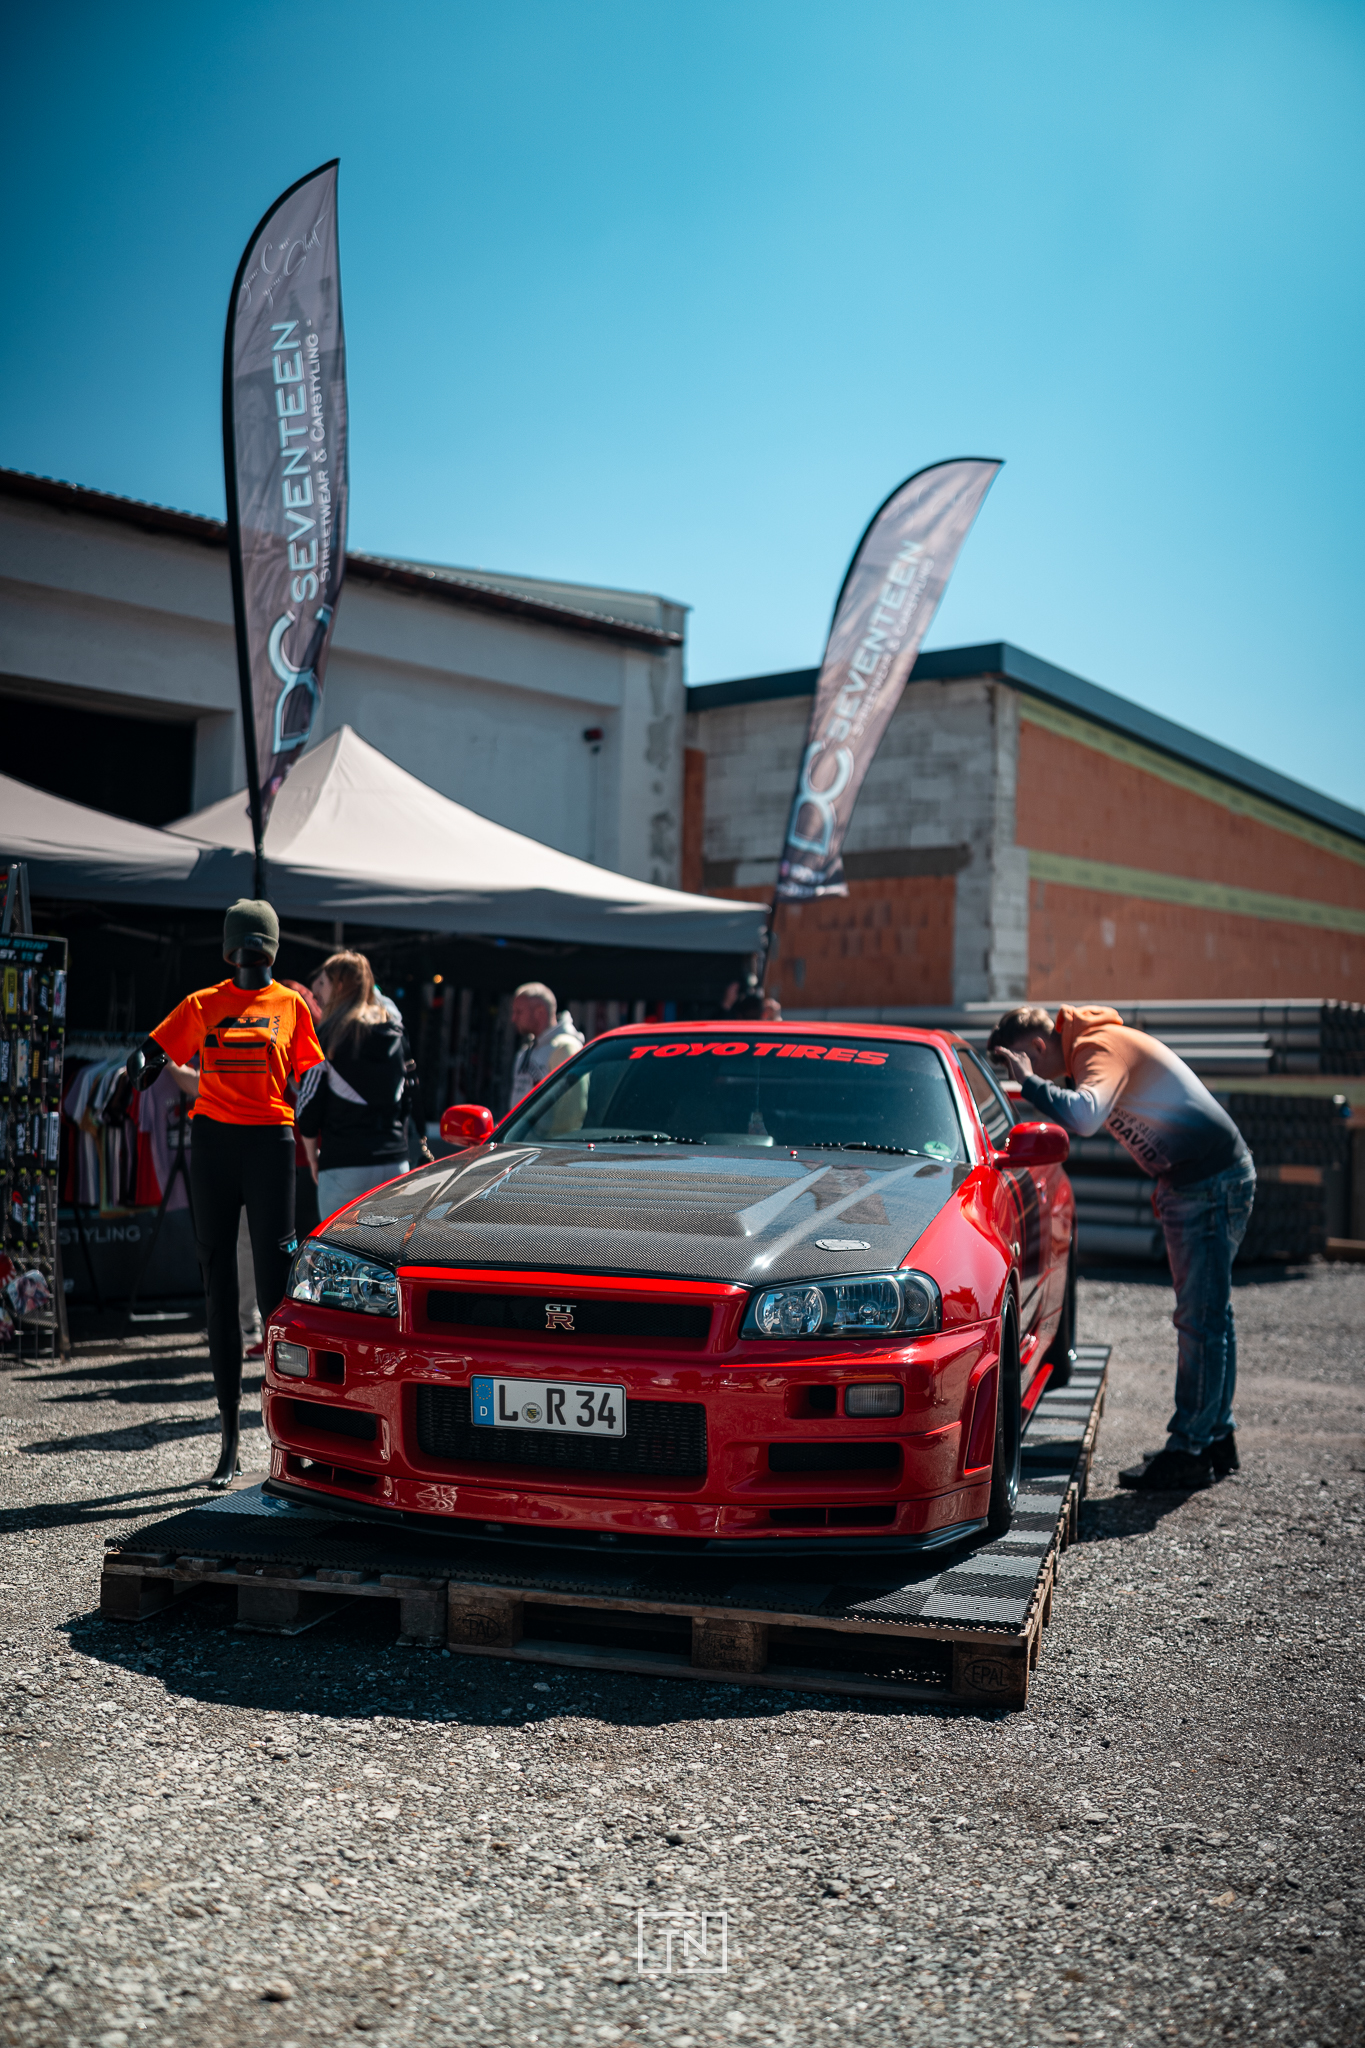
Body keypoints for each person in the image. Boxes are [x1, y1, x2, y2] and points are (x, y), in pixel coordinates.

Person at [988, 1004, 1255, 1491]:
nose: (1018, 1073)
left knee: (1201, 1320)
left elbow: (1085, 1117)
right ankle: (1216, 1436)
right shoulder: (1093, 1048)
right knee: (1212, 1317)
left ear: (1038, 1047)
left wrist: (1029, 1082)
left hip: (1209, 1183)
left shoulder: (1097, 1046)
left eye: (1019, 1061)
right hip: (1199, 1180)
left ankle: (1190, 1450)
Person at [125, 899, 324, 1487]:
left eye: (258, 942)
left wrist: (318, 1121)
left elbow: (313, 1073)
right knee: (218, 1289)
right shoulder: (203, 1004)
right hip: (213, 1144)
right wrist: (140, 1065)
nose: (249, 952)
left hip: (270, 1147)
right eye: (241, 942)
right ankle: (229, 1439)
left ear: (271, 948)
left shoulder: (290, 1005)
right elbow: (155, 1047)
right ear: (227, 948)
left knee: (275, 1296)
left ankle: (287, 1434)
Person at [296, 951, 413, 1219]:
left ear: (339, 985)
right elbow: (407, 1100)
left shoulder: (329, 1035)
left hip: (344, 1164)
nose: (318, 991)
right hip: (395, 1163)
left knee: (337, 1242)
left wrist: (313, 1157)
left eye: (323, 983)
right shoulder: (395, 1032)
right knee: (386, 1244)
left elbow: (308, 1105)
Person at [508, 982, 584, 1108]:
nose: (513, 1018)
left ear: (540, 1012)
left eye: (519, 1012)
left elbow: (572, 1110)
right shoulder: (527, 1049)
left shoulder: (565, 1048)